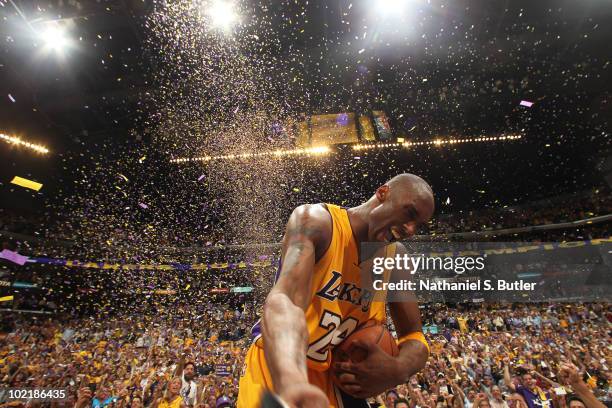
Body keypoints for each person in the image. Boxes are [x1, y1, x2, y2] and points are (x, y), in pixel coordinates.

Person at [237, 174, 435, 407]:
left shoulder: (395, 258)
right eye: (410, 213)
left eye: (418, 225)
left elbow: (414, 337)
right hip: (279, 367)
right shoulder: (317, 222)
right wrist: (291, 379)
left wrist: (398, 368)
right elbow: (284, 301)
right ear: (383, 193)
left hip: (336, 380)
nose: (411, 229)